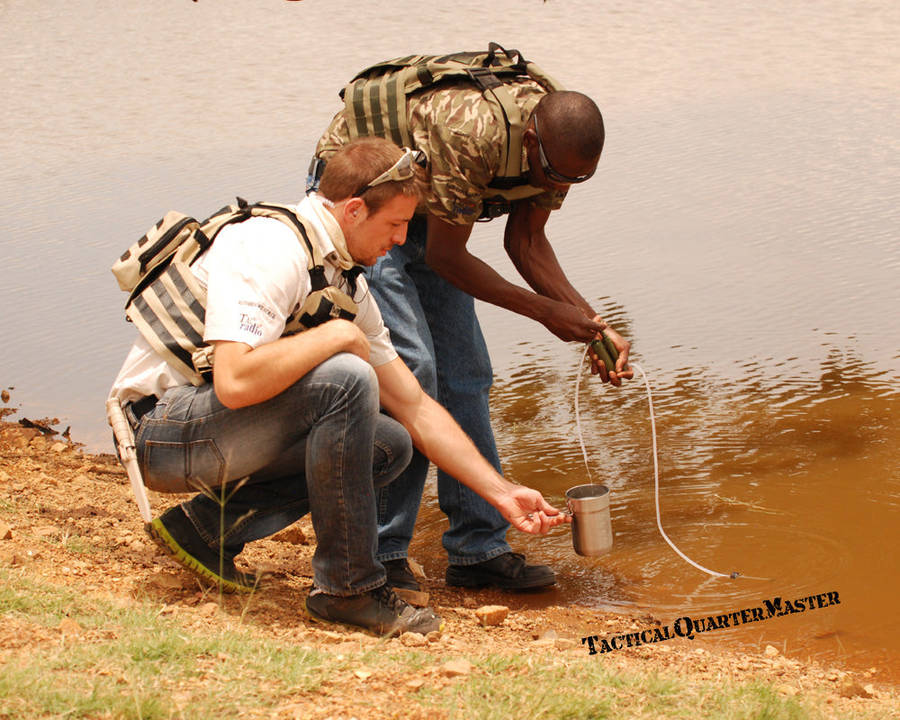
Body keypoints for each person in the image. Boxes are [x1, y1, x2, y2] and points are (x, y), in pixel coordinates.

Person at [107, 138, 569, 636]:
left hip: (214, 432)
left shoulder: (345, 279)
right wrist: (338, 335)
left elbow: (415, 406)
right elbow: (236, 381)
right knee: (348, 378)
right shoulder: (271, 248)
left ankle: (202, 530)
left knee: (389, 442)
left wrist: (501, 493)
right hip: (160, 434)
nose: (400, 241)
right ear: (353, 210)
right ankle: (348, 589)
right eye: (395, 225)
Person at [313, 47, 632, 596]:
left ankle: (478, 550)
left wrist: (590, 324)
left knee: (468, 374)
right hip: (370, 202)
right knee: (411, 372)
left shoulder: (559, 149)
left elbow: (526, 240)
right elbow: (444, 257)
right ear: (531, 140)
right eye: (554, 174)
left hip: (436, 212)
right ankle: (384, 551)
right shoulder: (474, 134)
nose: (558, 185)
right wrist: (542, 311)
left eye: (575, 180)